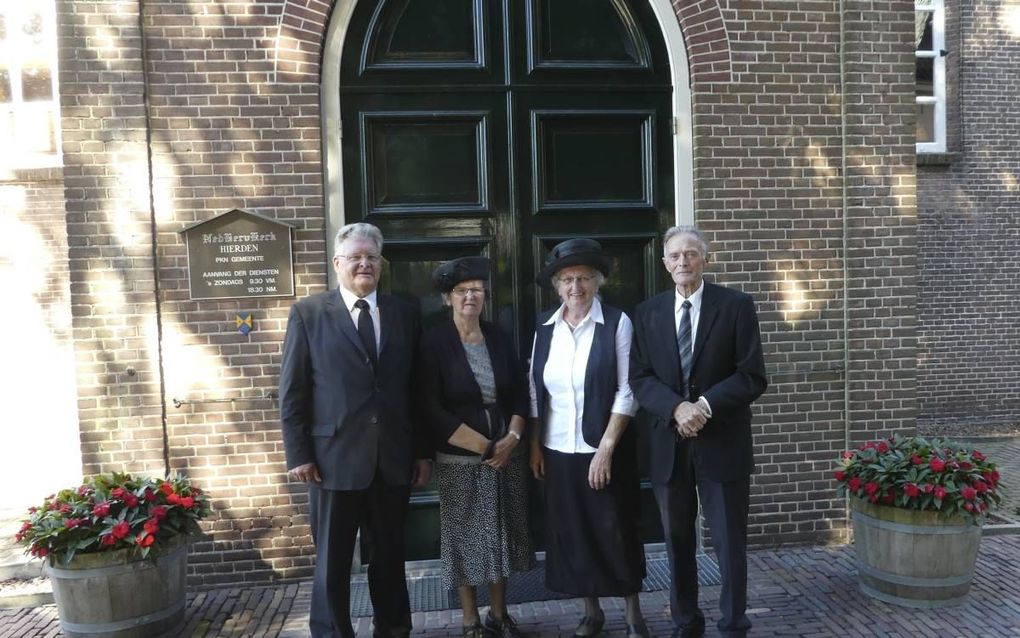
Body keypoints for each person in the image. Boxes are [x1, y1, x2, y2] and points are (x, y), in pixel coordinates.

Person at [279, 222, 431, 638]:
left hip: (392, 459)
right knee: (332, 561)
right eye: (355, 257)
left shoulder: (405, 312)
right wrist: (299, 454)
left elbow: (416, 389)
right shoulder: (308, 314)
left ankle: (394, 629)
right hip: (331, 462)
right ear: (337, 263)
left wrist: (421, 452)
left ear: (381, 263)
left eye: (372, 257)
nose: (364, 264)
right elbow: (292, 392)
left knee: (390, 557)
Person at [629, 226, 767, 638]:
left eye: (691, 254)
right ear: (665, 263)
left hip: (723, 442)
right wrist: (677, 408)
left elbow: (752, 376)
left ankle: (733, 624)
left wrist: (703, 407)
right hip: (668, 447)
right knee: (677, 541)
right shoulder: (647, 313)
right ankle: (686, 621)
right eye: (675, 256)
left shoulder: (737, 306)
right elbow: (640, 377)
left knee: (728, 543)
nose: (683, 262)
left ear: (706, 259)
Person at [528, 238, 649, 638]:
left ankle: (633, 614)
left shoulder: (617, 322)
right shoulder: (544, 329)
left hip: (605, 447)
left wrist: (607, 448)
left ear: (597, 282)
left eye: (582, 278)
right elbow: (534, 390)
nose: (574, 287)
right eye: (566, 280)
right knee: (574, 533)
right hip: (559, 448)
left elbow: (627, 389)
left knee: (616, 531)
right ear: (557, 287)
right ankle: (591, 613)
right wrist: (534, 445)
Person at [417, 256, 535, 638]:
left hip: (506, 455)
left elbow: (519, 393)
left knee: (502, 535)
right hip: (461, 459)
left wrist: (512, 439)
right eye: (462, 291)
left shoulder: (498, 336)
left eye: (478, 290)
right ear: (448, 298)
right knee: (465, 538)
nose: (471, 296)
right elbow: (429, 408)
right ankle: (470, 619)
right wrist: (486, 447)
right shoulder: (434, 341)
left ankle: (499, 614)